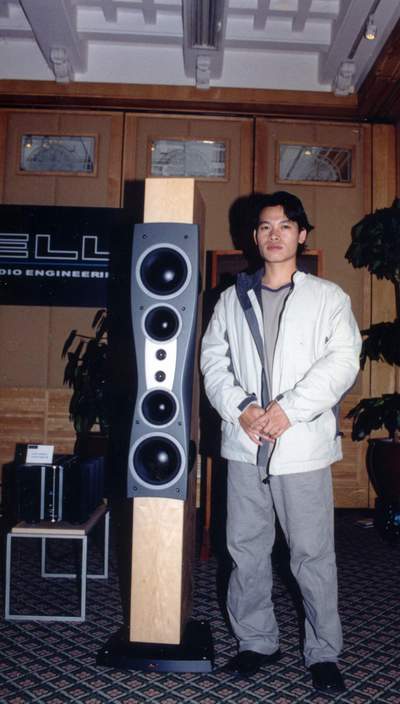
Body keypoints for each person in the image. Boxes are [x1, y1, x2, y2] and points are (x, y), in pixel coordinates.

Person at [200, 191, 361, 693]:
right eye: (266, 226)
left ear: (302, 234)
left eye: (285, 226)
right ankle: (256, 641)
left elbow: (342, 362)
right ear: (254, 236)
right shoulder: (232, 298)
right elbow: (212, 361)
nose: (275, 235)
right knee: (245, 549)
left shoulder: (328, 298)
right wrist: (242, 409)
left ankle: (324, 651)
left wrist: (288, 409)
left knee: (311, 554)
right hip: (246, 442)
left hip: (300, 443)